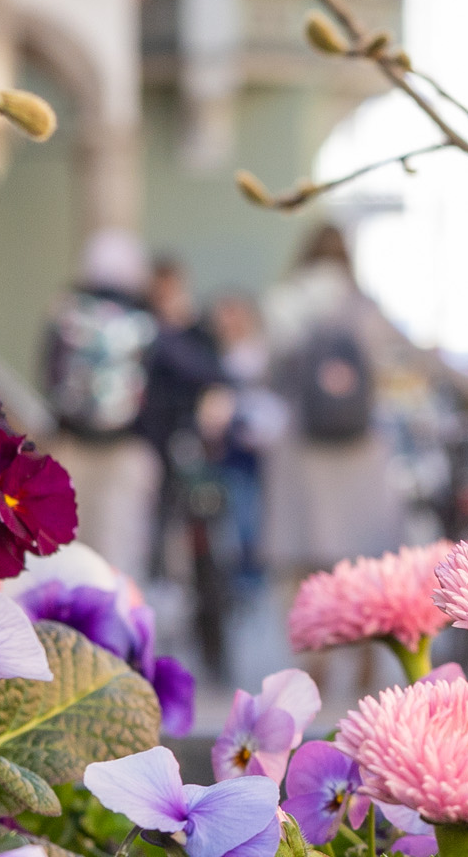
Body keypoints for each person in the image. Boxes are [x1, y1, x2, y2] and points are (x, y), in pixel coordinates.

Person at [261, 226, 412, 586]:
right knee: (364, 570)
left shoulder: (283, 304)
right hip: (358, 449)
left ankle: (314, 642)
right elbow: (408, 354)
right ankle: (361, 643)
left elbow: (267, 375)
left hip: (301, 449)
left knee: (304, 571)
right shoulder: (362, 307)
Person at [39, 228, 164, 578]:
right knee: (119, 555)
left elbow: (49, 376)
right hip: (125, 447)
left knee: (69, 549)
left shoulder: (66, 312)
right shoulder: (144, 319)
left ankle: (66, 628)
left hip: (71, 445)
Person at [137, 254, 224, 582]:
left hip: (188, 443)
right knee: (153, 529)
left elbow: (211, 372)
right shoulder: (143, 326)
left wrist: (178, 329)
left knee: (199, 532)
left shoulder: (193, 331)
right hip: (150, 439)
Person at [207, 291, 279, 591]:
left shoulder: (261, 356)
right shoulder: (215, 358)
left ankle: (253, 572)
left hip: (258, 453)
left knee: (253, 517)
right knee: (236, 519)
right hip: (231, 453)